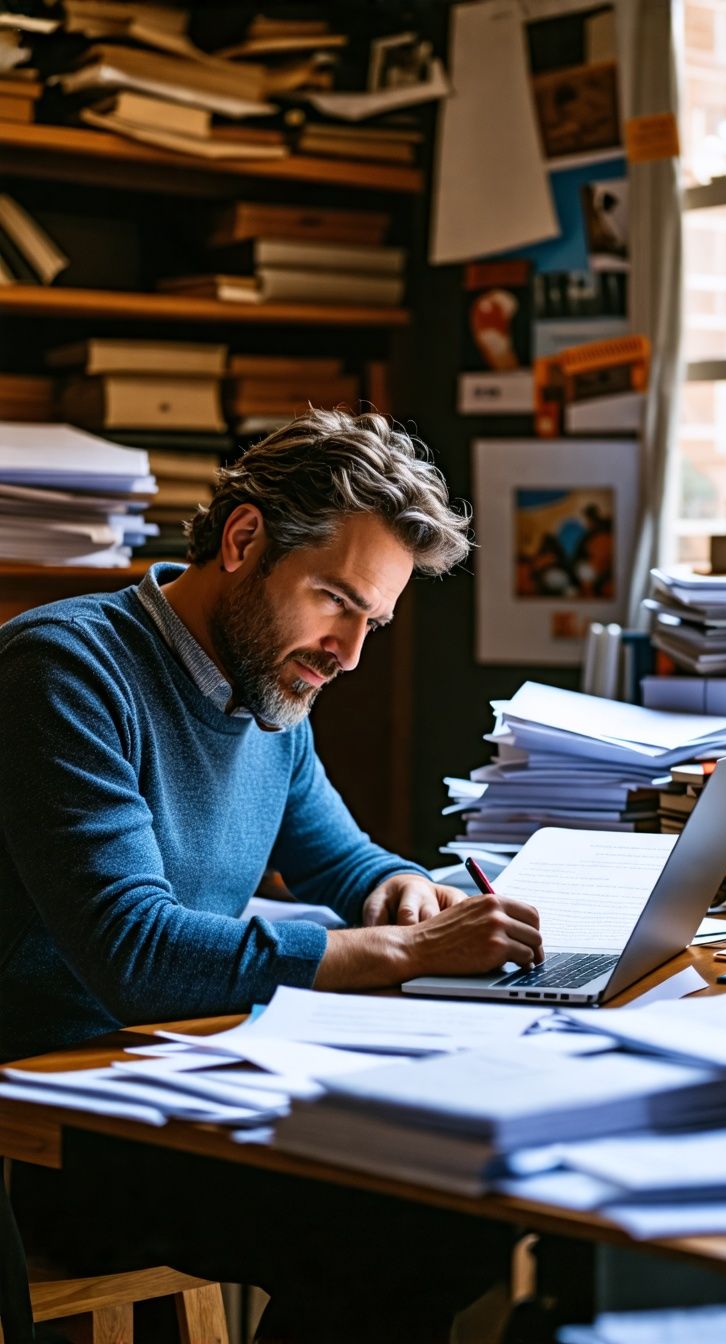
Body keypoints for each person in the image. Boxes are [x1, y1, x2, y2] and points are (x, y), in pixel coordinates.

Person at [3, 408, 541, 1341]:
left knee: (461, 1203)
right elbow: (136, 953)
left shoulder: (269, 686)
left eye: (373, 619)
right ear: (245, 539)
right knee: (407, 1232)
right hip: (52, 1127)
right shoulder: (64, 670)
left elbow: (345, 860)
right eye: (337, 599)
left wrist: (397, 889)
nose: (350, 653)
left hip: (187, 1076)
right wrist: (397, 948)